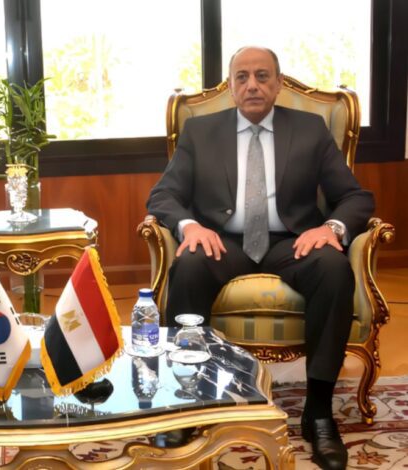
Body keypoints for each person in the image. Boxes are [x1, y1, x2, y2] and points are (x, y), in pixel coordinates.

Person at [147, 46, 374, 470]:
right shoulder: (200, 131)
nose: (252, 85)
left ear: (278, 83)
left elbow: (355, 197)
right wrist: (190, 227)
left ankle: (318, 413)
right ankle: (186, 402)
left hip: (291, 240)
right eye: (243, 77)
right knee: (190, 264)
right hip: (223, 240)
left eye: (262, 76)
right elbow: (163, 196)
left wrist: (331, 228)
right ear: (231, 87)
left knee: (333, 268)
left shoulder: (309, 129)